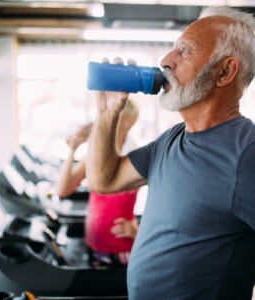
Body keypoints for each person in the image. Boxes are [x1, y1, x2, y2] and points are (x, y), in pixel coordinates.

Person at [85, 6, 255, 299]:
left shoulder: (247, 155)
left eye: (184, 51)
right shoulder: (172, 139)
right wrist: (107, 113)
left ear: (225, 71)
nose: (166, 61)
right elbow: (105, 179)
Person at [56, 99, 140, 268]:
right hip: (94, 242)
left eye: (115, 115)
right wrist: (73, 150)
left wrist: (137, 231)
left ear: (128, 121)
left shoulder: (135, 156)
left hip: (121, 248)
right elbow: (63, 190)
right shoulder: (95, 157)